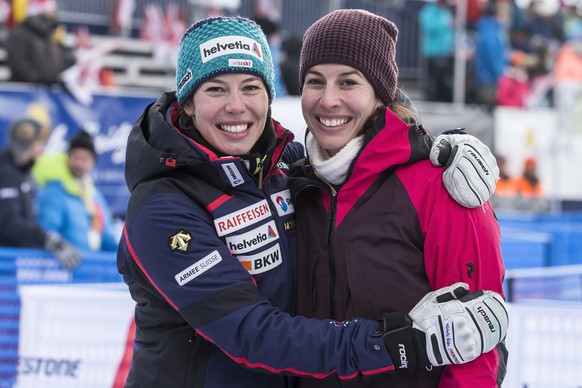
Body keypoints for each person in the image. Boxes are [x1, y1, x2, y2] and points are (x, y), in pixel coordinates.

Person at [116, 16, 507, 387]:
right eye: (215, 88)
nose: (236, 106)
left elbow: (477, 327)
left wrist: (443, 145)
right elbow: (250, 331)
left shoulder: (288, 170)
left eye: (250, 87)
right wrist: (399, 342)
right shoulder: (162, 206)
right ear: (186, 102)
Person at [291, 9, 507, 387]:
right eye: (315, 81)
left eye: (348, 82)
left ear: (380, 94)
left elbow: (477, 347)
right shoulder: (296, 184)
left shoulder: (442, 185)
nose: (328, 100)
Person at [0, 117, 82, 269]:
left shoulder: (21, 173)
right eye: (40, 143)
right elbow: (8, 223)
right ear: (27, 145)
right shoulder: (7, 174)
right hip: (4, 265)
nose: (42, 150)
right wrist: (46, 239)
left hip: (10, 264)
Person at [32, 130, 119, 252]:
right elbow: (48, 229)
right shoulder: (54, 191)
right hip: (64, 266)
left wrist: (123, 255)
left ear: (93, 163)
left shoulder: (94, 196)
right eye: (75, 157)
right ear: (68, 158)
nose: (79, 163)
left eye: (84, 159)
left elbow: (107, 236)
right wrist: (59, 248)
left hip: (91, 266)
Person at [4, 0, 76, 84]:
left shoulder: (48, 33)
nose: (54, 14)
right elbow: (17, 63)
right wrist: (38, 79)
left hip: (48, 92)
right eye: (51, 10)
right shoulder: (20, 33)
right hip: (26, 91)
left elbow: (55, 61)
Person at [418, 0, 455, 102]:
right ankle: (430, 99)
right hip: (432, 51)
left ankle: (439, 99)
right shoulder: (429, 11)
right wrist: (446, 24)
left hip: (445, 51)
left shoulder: (446, 11)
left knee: (442, 79)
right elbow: (428, 26)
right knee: (431, 80)